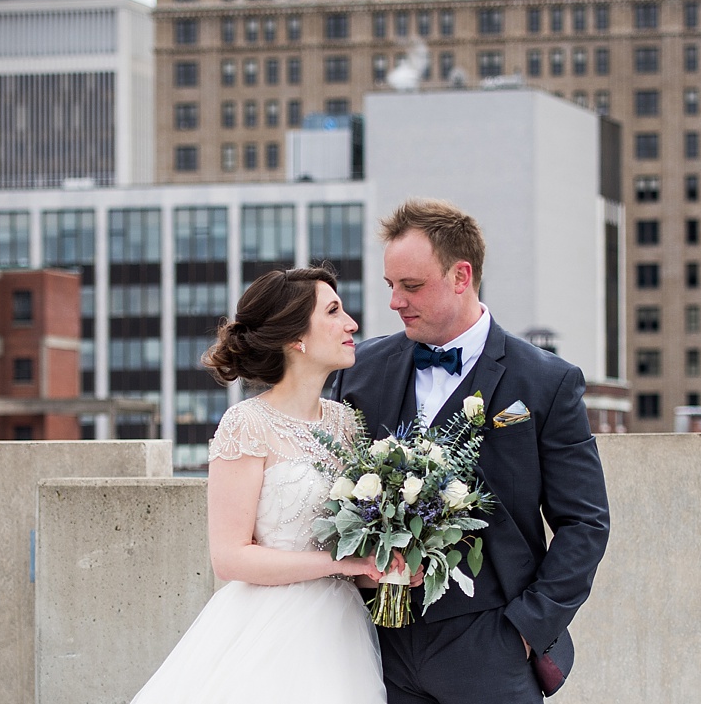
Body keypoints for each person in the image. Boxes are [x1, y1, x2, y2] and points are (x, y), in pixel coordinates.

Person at [334, 199, 611, 703]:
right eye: (390, 286)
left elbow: (585, 522)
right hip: (376, 644)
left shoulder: (546, 382)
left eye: (411, 286)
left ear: (461, 276)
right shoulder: (358, 371)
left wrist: (526, 630)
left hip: (492, 641)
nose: (395, 302)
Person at [128, 266, 389, 704]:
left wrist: (387, 563)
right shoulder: (246, 424)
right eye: (334, 311)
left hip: (342, 632)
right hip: (270, 626)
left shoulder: (347, 423)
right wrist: (344, 564)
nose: (351, 324)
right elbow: (229, 558)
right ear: (295, 338)